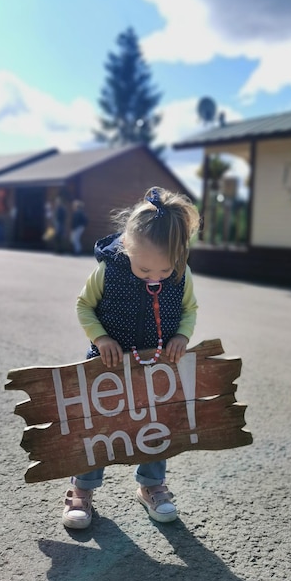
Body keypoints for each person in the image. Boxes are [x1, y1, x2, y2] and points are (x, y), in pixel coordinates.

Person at [63, 186, 200, 529]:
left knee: (155, 425)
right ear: (126, 245)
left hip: (156, 367)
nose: (155, 278)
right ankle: (82, 489)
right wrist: (101, 337)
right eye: (144, 270)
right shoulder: (109, 270)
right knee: (98, 426)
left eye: (164, 272)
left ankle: (151, 485)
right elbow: (84, 305)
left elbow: (189, 310)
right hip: (107, 365)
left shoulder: (181, 274)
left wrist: (182, 335)